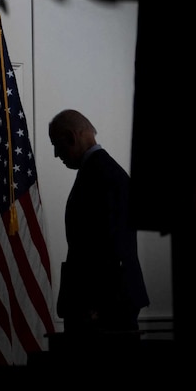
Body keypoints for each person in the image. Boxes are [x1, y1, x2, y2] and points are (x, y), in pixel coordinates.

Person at [48, 109, 149, 337]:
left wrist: (94, 307)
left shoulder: (101, 175)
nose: (56, 154)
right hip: (108, 301)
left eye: (56, 144)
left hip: (103, 305)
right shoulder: (103, 172)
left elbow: (108, 246)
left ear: (71, 137)